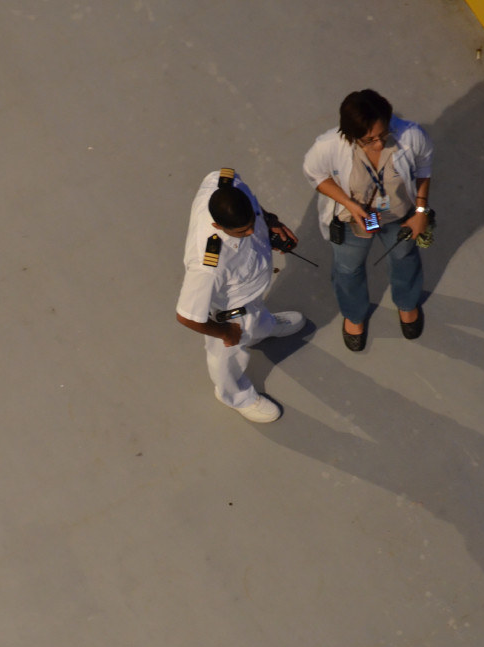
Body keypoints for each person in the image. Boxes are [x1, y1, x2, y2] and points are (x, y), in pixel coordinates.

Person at [303, 89, 433, 351]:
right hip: (355, 219)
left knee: (405, 258)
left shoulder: (411, 135)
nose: (378, 144)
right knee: (348, 269)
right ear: (350, 136)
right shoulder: (328, 146)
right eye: (368, 139)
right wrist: (348, 203)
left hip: (398, 215)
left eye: (383, 135)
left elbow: (423, 167)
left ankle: (407, 304)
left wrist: (420, 213)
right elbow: (314, 173)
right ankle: (355, 314)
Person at [176, 168, 307, 423]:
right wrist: (226, 333)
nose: (250, 233)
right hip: (230, 312)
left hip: (252, 291)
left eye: (251, 225)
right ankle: (235, 395)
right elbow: (186, 316)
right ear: (217, 226)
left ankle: (262, 328)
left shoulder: (226, 182)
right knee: (226, 357)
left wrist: (270, 221)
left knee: (257, 318)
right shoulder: (207, 265)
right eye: (241, 231)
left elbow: (255, 209)